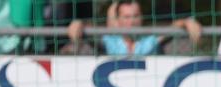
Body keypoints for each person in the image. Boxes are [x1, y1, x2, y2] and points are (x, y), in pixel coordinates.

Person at [65, 0, 201, 56]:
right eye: (127, 17)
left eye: (135, 16)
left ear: (141, 18)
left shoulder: (148, 41)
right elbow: (90, 29)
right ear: (118, 20)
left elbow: (172, 27)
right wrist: (79, 23)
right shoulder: (109, 42)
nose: (132, 21)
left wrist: (187, 22)